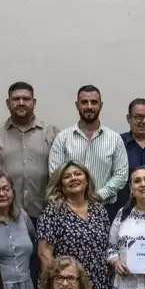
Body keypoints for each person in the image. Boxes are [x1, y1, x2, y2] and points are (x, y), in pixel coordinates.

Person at [0, 82, 60, 222]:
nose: (21, 103)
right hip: (3, 215)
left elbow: (61, 174)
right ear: (8, 103)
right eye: (16, 99)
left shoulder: (51, 133)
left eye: (26, 99)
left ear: (34, 103)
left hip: (44, 215)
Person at [37, 162, 112, 289]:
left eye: (78, 174)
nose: (73, 178)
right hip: (66, 286)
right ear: (60, 184)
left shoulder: (99, 210)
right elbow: (44, 254)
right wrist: (57, 286)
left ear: (87, 180)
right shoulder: (53, 212)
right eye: (67, 176)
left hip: (97, 286)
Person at [49, 85, 129, 222]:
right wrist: (75, 197)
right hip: (68, 210)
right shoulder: (63, 138)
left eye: (94, 102)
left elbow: (121, 175)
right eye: (84, 102)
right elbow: (55, 174)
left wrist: (98, 196)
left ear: (101, 105)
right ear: (77, 105)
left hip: (105, 209)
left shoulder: (114, 139)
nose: (89, 106)